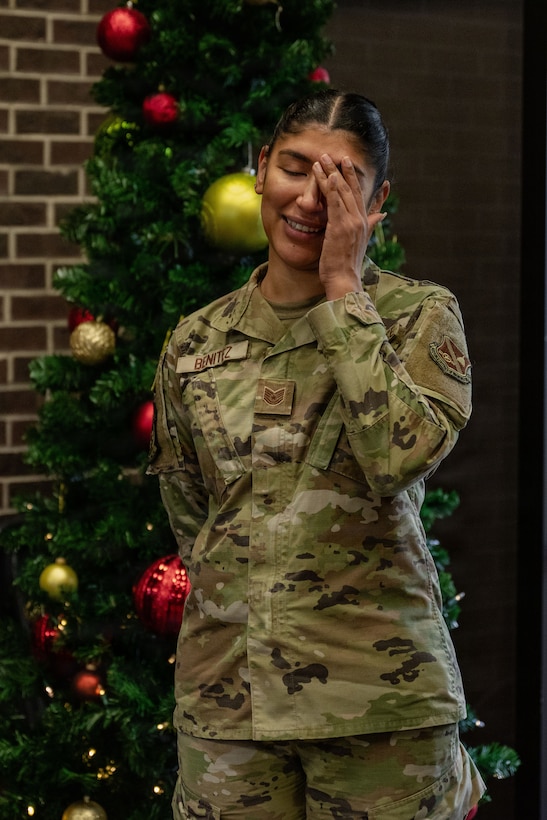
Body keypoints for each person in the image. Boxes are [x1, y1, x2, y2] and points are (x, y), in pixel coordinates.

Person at [148, 88, 486, 820]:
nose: (309, 198)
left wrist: (341, 289)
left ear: (377, 201)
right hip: (227, 707)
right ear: (262, 167)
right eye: (295, 169)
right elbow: (193, 517)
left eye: (339, 181)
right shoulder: (194, 342)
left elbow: (403, 455)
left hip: (378, 704)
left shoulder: (418, 317)